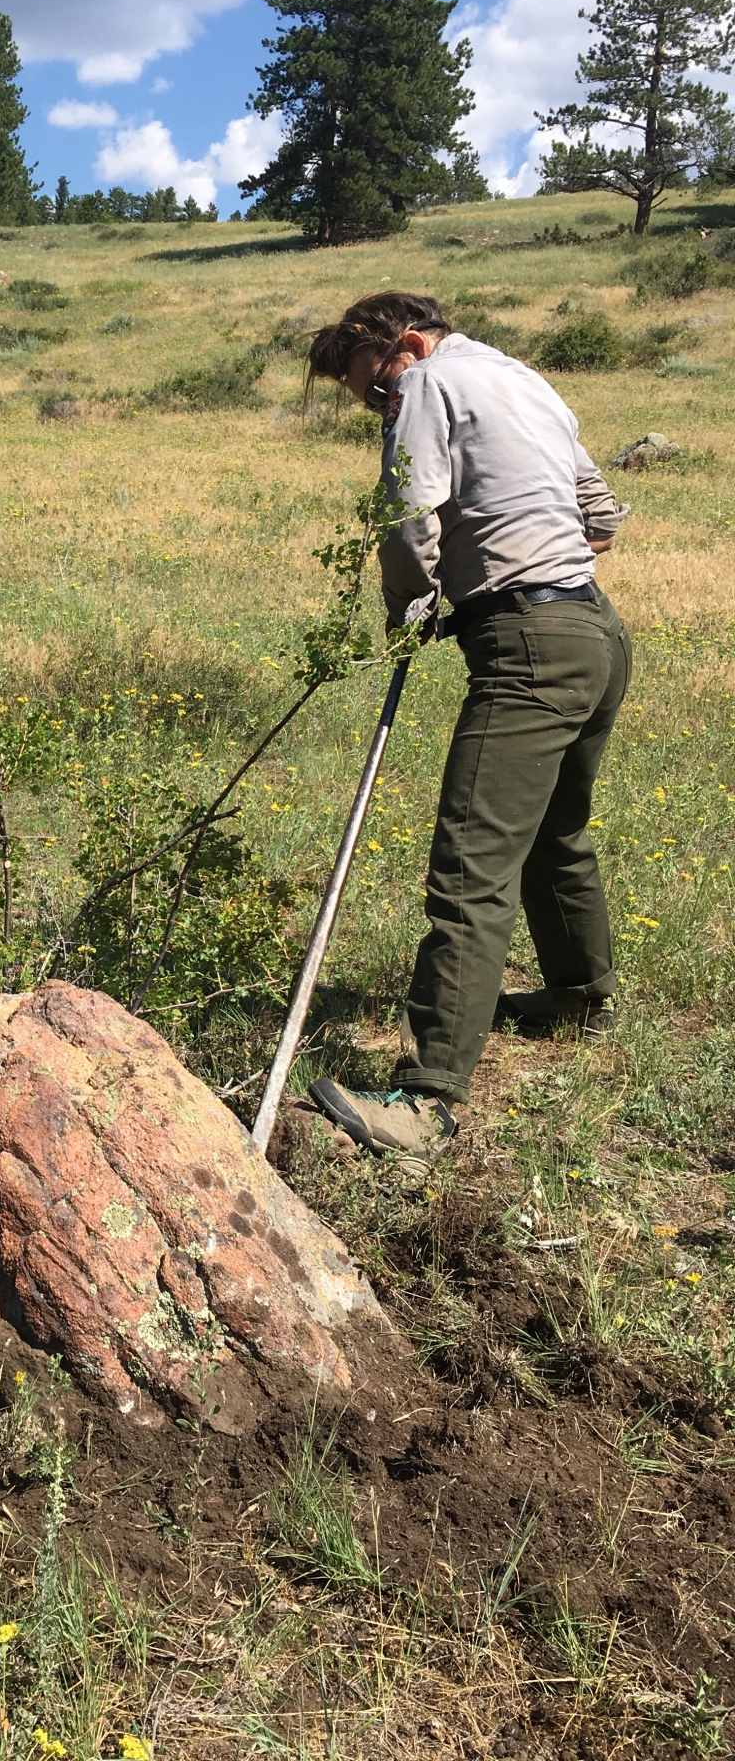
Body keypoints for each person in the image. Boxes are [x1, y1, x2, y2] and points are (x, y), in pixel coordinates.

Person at [301, 292, 631, 1159]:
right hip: (595, 634)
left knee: (470, 867)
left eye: (374, 387)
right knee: (557, 833)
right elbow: (599, 516)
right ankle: (579, 1001)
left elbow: (410, 516)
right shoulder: (525, 379)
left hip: (528, 645)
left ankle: (426, 1101)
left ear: (405, 343)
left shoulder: (430, 384)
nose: (379, 404)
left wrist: (410, 605)